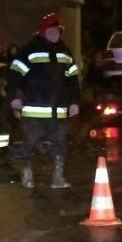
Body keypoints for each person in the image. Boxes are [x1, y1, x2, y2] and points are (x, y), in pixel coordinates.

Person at [7, 12, 80, 189]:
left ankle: (57, 178)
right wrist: (14, 98)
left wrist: (75, 102)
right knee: (30, 144)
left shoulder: (65, 52)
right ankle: (27, 174)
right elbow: (15, 76)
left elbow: (73, 80)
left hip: (58, 111)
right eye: (51, 30)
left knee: (60, 144)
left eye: (58, 30)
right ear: (43, 31)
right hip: (34, 110)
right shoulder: (29, 51)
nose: (55, 34)